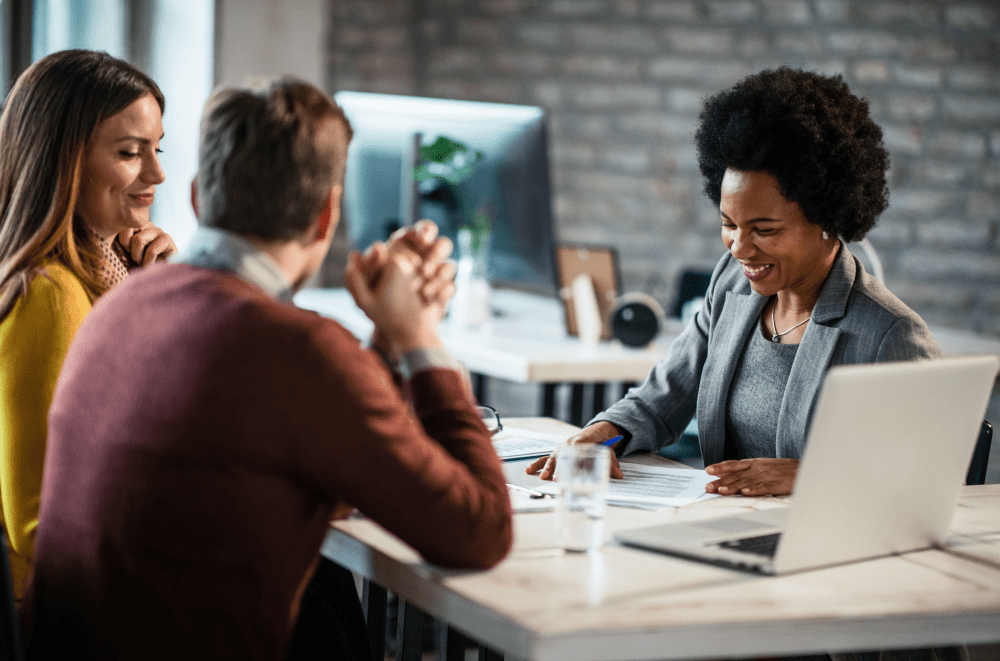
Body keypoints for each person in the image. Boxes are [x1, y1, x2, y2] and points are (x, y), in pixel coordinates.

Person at [24, 77, 512, 661]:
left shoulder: (119, 302)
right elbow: (480, 533)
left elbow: (299, 463)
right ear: (327, 215)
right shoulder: (302, 351)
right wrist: (420, 338)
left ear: (200, 197)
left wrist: (381, 344)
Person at [528, 66, 941, 495]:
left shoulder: (890, 335)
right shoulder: (733, 285)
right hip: (725, 528)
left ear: (827, 219)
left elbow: (928, 477)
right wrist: (603, 435)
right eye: (729, 223)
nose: (739, 249)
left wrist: (811, 475)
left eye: (764, 230)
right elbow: (662, 399)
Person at [0, 49, 176, 601]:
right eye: (129, 153)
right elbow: (38, 519)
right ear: (65, 160)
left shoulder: (104, 275)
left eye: (157, 149)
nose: (157, 174)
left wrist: (155, 293)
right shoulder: (50, 296)